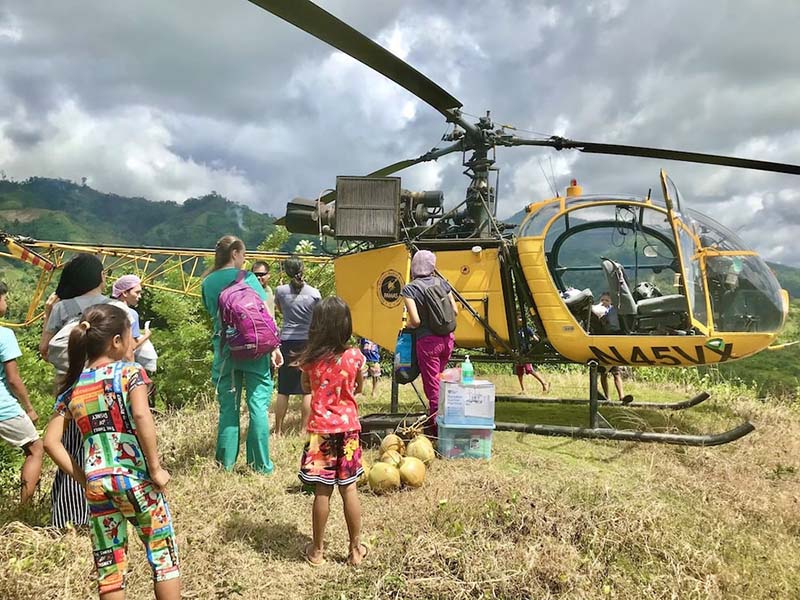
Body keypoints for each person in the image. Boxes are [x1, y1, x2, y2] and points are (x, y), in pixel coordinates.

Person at [43, 304, 180, 599]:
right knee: (162, 557)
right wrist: (155, 468)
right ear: (116, 342)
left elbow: (50, 442)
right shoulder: (130, 373)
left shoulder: (73, 386)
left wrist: (83, 478)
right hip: (136, 480)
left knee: (110, 568)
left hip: (97, 485)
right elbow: (142, 416)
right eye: (130, 337)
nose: (133, 343)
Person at [201, 235, 282, 474]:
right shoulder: (248, 278)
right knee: (258, 406)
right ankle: (260, 465)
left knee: (229, 408)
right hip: (255, 351)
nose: (245, 260)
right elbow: (265, 316)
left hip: (226, 351)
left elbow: (211, 314)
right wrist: (275, 348)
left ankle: (224, 464)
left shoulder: (208, 282)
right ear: (235, 253)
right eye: (244, 255)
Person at [296, 296, 368, 567]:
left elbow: (305, 386)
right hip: (349, 430)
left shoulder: (311, 360)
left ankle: (317, 551)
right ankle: (355, 550)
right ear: (346, 326)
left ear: (317, 326)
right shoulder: (354, 357)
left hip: (321, 432)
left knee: (322, 492)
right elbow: (358, 387)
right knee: (349, 489)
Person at [39, 254, 110, 528]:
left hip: (69, 387)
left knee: (70, 448)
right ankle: (106, 512)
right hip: (105, 386)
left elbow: (45, 351)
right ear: (99, 277)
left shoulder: (62, 307)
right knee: (103, 447)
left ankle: (69, 515)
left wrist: (48, 314)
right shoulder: (114, 307)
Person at [400, 250, 458, 435]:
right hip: (448, 340)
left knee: (432, 387)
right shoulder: (442, 283)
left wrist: (405, 326)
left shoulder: (410, 289)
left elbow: (415, 321)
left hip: (428, 343)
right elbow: (455, 311)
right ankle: (442, 420)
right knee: (440, 382)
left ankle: (437, 431)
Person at [0, 282, 43, 504]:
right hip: (3, 407)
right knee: (35, 447)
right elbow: (13, 379)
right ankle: (23, 507)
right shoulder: (4, 335)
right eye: (4, 298)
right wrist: (29, 407)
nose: (5, 303)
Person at [274, 257, 321, 435]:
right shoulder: (314, 293)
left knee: (283, 389)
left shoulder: (280, 291)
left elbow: (280, 309)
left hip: (286, 340)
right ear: (303, 269)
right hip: (307, 341)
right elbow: (317, 316)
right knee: (306, 389)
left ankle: (278, 430)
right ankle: (303, 430)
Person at [592, 292, 633, 405]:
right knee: (603, 373)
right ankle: (607, 397)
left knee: (616, 372)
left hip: (612, 345)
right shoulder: (597, 311)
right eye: (603, 300)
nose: (604, 302)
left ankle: (621, 396)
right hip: (602, 345)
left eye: (607, 300)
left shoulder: (613, 313)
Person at [514, 313, 549, 394]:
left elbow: (535, 338)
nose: (521, 320)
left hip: (526, 352)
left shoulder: (527, 329)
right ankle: (523, 389)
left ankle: (544, 383)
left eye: (522, 318)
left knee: (529, 369)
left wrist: (531, 341)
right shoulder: (514, 330)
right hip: (518, 353)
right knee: (519, 372)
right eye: (519, 318)